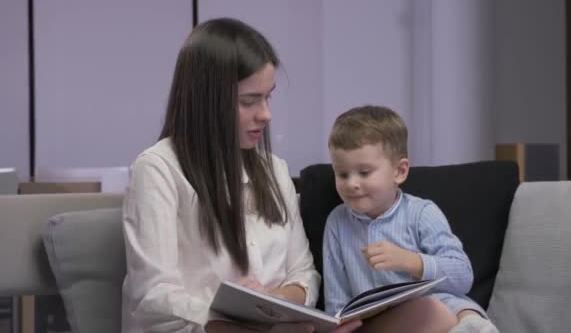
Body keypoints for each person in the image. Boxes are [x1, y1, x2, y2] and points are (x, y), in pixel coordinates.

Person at [121, 17, 361, 333]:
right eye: (249, 101)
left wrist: (270, 303)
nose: (266, 114)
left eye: (268, 96)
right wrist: (241, 319)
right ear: (207, 100)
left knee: (423, 313)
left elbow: (304, 275)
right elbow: (154, 298)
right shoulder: (158, 169)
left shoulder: (274, 170)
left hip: (277, 328)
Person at [323, 105, 499, 333]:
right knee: (430, 312)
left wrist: (410, 261)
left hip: (436, 312)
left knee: (460, 310)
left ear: (399, 171)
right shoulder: (337, 222)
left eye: (364, 173)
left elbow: (463, 276)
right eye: (342, 174)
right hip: (377, 324)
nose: (351, 184)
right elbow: (336, 302)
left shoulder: (421, 213)